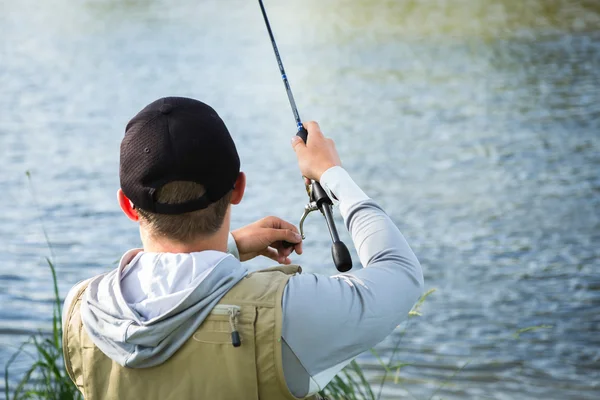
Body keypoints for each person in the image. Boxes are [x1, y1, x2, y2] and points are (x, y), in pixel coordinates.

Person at [62, 96, 424, 400]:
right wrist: (332, 174)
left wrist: (230, 249)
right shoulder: (287, 311)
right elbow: (400, 272)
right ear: (238, 188)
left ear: (127, 205)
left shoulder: (83, 309)